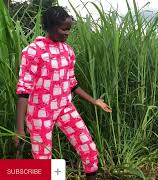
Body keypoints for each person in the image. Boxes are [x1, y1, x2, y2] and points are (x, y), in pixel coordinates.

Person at [14, 6, 112, 180]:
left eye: (69, 29)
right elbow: (23, 90)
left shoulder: (67, 51)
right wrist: (20, 129)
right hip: (39, 112)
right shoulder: (33, 51)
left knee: (88, 147)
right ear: (49, 26)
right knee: (42, 159)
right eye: (63, 29)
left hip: (64, 107)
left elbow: (72, 84)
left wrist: (94, 101)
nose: (67, 33)